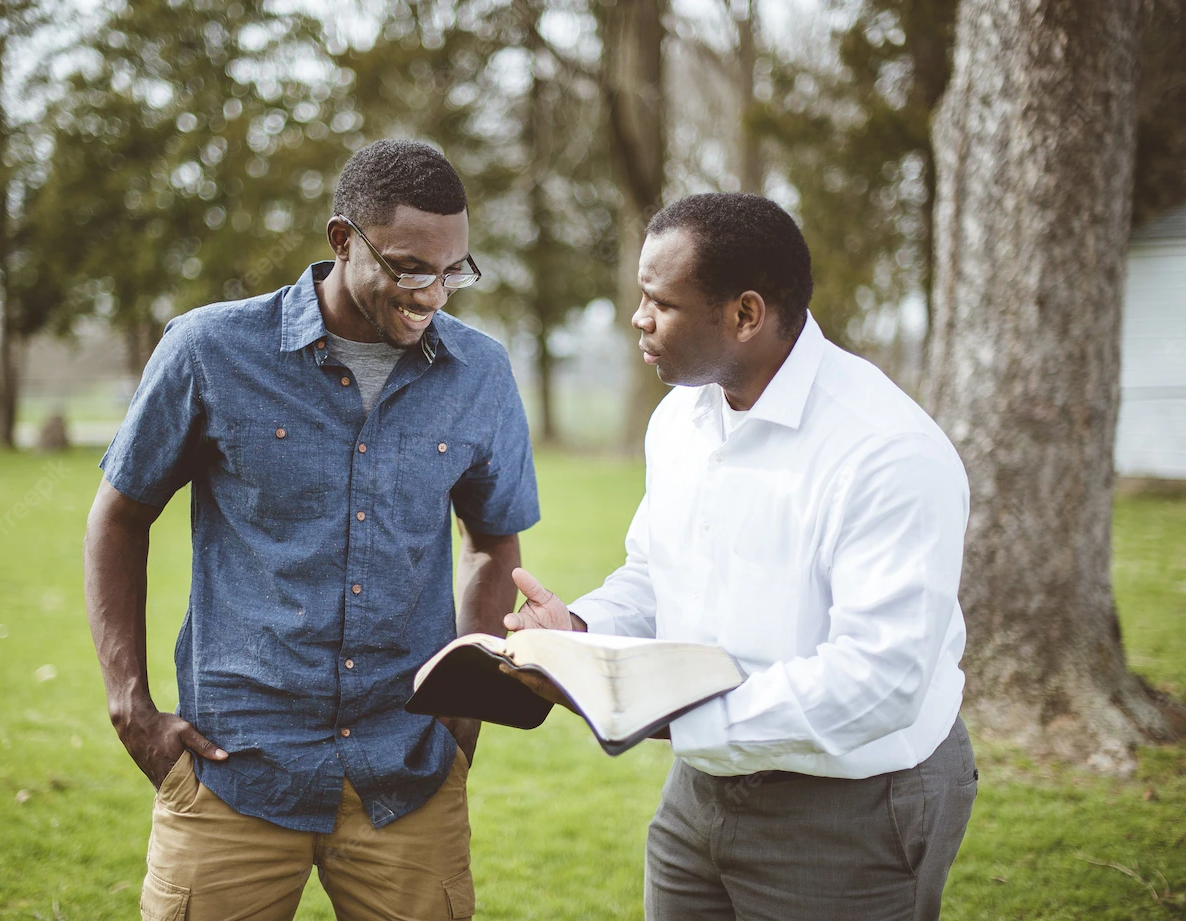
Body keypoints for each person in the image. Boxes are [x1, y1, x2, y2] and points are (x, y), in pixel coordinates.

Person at [84, 139, 539, 921]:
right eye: (407, 267)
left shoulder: (482, 374)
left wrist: (462, 718)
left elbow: (494, 541)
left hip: (409, 773)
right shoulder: (208, 350)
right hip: (234, 771)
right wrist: (131, 703)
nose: (433, 293)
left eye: (454, 269)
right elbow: (119, 518)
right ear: (341, 240)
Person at [504, 192, 976, 920]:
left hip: (849, 805)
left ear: (745, 314)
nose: (637, 317)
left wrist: (671, 717)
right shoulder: (682, 419)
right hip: (699, 796)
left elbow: (880, 678)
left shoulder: (886, 452)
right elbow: (657, 573)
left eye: (660, 301)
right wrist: (581, 632)